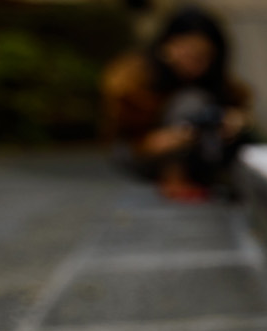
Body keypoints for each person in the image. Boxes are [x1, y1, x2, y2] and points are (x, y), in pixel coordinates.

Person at [101, 7, 252, 200]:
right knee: (190, 101)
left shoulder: (221, 84)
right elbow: (119, 135)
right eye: (187, 53)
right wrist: (162, 140)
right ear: (166, 46)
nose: (195, 64)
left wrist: (235, 122)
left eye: (203, 57)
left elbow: (242, 111)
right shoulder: (132, 78)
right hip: (143, 156)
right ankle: (176, 180)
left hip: (203, 154)